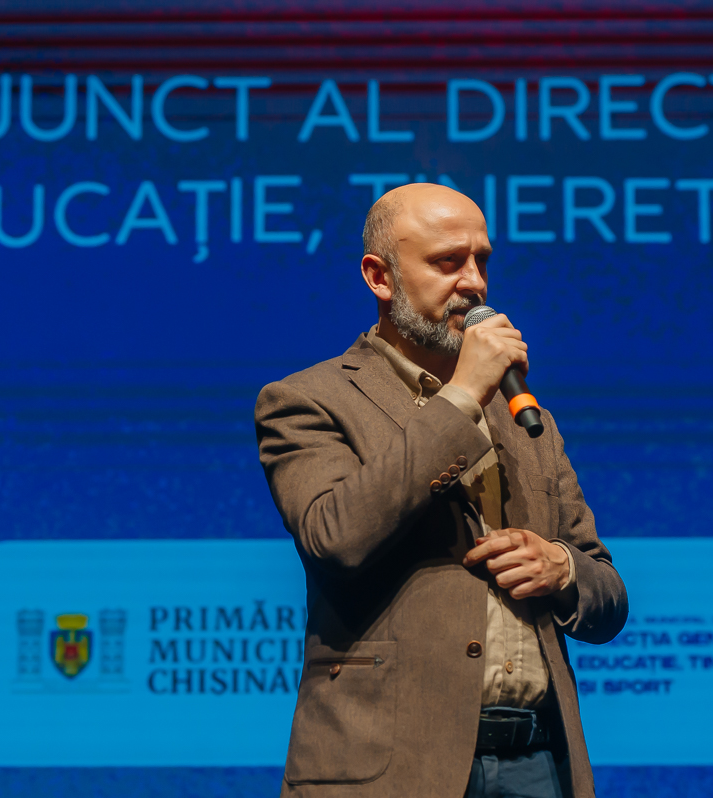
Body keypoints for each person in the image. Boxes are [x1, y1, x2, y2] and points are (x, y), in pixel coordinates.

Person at [255, 183, 628, 798]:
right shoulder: (308, 401)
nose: (475, 283)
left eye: (482, 261)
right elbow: (335, 537)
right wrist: (462, 397)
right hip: (391, 769)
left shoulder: (524, 415)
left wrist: (561, 567)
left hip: (537, 761)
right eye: (448, 262)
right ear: (380, 277)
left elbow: (607, 594)